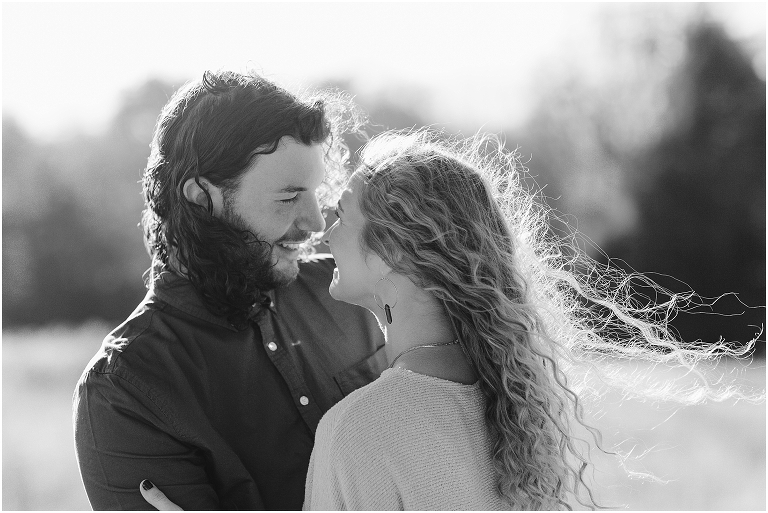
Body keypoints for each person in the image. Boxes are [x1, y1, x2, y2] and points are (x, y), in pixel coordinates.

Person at [141, 129, 761, 511]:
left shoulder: (360, 431)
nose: (322, 231)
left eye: (344, 215)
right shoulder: (512, 408)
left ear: (395, 252)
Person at [72, 70, 386, 510]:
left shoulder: (357, 290)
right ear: (203, 198)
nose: (316, 222)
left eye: (315, 194)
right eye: (288, 198)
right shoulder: (126, 391)